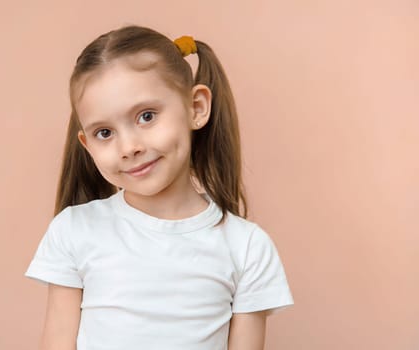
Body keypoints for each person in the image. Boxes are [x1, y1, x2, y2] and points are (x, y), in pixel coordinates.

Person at [25, 25, 294, 350]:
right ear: (87, 144)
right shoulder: (73, 230)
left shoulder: (247, 247)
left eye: (146, 116)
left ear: (196, 107)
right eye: (105, 133)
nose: (129, 147)